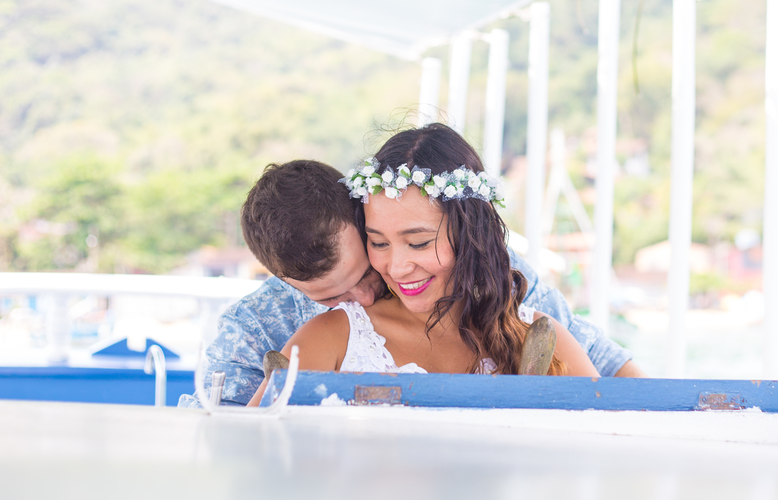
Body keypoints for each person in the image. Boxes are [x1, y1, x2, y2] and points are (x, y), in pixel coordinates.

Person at [180, 152, 643, 407]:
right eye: (332, 296)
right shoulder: (260, 325)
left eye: (366, 269)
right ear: (285, 283)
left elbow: (607, 370)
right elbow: (225, 436)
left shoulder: (503, 286)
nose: (363, 296)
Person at [248, 124, 598, 403]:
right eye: (378, 243)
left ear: (470, 234)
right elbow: (253, 450)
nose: (397, 267)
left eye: (418, 243)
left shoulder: (538, 336)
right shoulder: (328, 339)